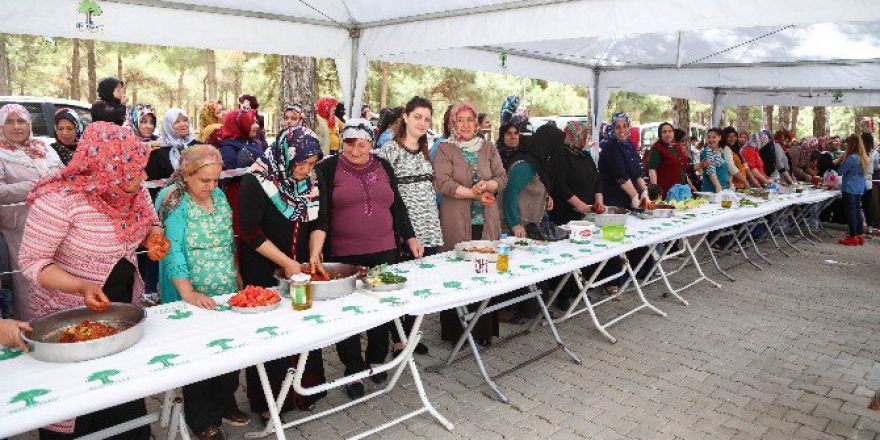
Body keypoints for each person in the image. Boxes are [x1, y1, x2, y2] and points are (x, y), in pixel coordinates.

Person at [19, 122, 158, 440]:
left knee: (122, 401)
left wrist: (156, 236)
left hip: (120, 309)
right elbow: (32, 263)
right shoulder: (59, 200)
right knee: (76, 407)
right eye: (135, 171)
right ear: (108, 168)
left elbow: (151, 221)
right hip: (69, 316)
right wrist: (81, 286)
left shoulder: (133, 192)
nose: (143, 178)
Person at [311, 118, 420, 399]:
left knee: (380, 308)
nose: (355, 150)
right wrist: (317, 249)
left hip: (384, 249)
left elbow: (398, 206)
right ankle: (353, 368)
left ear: (371, 143)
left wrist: (410, 236)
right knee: (347, 314)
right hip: (344, 253)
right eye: (349, 144)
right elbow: (321, 213)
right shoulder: (328, 168)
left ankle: (375, 358)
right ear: (342, 142)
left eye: (361, 145)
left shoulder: (383, 166)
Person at [154, 145, 249, 439]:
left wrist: (236, 273)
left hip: (224, 288)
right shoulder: (173, 199)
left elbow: (228, 239)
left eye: (215, 180)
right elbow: (172, 251)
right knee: (198, 356)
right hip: (191, 291)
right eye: (204, 180)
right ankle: (202, 418)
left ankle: (225, 401)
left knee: (229, 349)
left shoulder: (219, 196)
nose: (211, 187)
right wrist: (188, 292)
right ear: (187, 174)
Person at [238, 126, 327, 418]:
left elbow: (320, 222)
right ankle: (270, 400)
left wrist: (312, 255)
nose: (305, 170)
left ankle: (306, 389)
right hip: (264, 268)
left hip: (300, 268)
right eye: (300, 164)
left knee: (304, 325)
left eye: (311, 163)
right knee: (270, 334)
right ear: (283, 157)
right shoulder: (257, 181)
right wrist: (285, 263)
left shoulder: (313, 180)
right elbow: (250, 232)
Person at [433, 102, 507, 346]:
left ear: (477, 124)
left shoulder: (488, 148)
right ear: (453, 124)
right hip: (456, 221)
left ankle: (483, 331)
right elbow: (442, 183)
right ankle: (457, 334)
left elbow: (501, 177)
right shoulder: (445, 149)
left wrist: (488, 186)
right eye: (460, 120)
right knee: (458, 272)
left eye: (469, 120)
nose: (465, 124)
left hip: (485, 221)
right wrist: (474, 193)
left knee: (485, 271)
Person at [374, 96, 442, 356]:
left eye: (426, 118)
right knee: (401, 283)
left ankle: (410, 332)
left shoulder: (427, 148)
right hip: (404, 229)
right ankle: (396, 337)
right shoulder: (389, 150)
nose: (422, 123)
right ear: (405, 116)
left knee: (422, 284)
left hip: (429, 225)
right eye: (417, 117)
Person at [0, 104, 63, 321]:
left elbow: (62, 175)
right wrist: (33, 185)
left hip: (55, 222)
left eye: (21, 121)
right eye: (10, 121)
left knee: (58, 274)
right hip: (20, 227)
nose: (16, 127)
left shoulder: (43, 148)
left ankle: (63, 323)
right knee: (29, 277)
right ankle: (33, 328)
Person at [551, 121, 604, 225]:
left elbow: (597, 179)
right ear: (574, 135)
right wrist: (580, 205)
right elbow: (559, 185)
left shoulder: (585, 155)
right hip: (566, 215)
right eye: (583, 135)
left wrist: (599, 200)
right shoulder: (561, 155)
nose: (586, 138)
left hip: (587, 214)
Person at [598, 113, 649, 208]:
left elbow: (637, 173)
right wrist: (635, 197)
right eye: (617, 127)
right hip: (614, 202)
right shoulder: (609, 146)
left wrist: (645, 192)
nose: (622, 130)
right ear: (612, 129)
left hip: (628, 199)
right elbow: (621, 176)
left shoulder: (629, 145)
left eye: (625, 126)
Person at [145, 108, 199, 185]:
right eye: (177, 122)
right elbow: (152, 184)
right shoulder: (158, 151)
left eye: (185, 120)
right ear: (168, 126)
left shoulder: (199, 146)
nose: (183, 124)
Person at [836, 134, 869, 246]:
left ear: (851, 144)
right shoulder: (863, 156)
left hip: (850, 188)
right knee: (857, 211)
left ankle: (852, 236)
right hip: (859, 187)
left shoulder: (851, 158)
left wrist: (841, 160)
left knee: (851, 213)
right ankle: (860, 235)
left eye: (847, 144)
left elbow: (840, 171)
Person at [647, 122, 690, 198]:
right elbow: (652, 170)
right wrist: (655, 190)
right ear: (660, 135)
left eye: (670, 131)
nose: (668, 134)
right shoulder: (657, 148)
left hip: (681, 190)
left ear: (673, 133)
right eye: (664, 132)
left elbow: (683, 167)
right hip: (666, 191)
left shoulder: (675, 147)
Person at [700, 128, 729, 193]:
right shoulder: (707, 152)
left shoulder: (721, 152)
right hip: (712, 190)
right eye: (709, 137)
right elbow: (711, 171)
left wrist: (729, 182)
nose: (711, 140)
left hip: (723, 188)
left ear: (719, 138)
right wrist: (717, 186)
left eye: (714, 137)